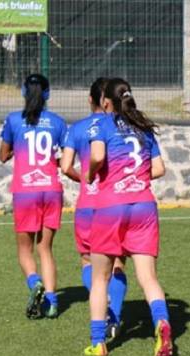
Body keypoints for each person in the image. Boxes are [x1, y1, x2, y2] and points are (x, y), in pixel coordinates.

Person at [84, 78, 173, 356]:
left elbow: (97, 155)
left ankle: (98, 342)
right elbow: (158, 169)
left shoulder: (102, 123)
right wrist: (134, 179)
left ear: (105, 101)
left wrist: (91, 173)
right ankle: (161, 322)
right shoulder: (144, 128)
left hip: (111, 206)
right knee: (148, 277)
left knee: (100, 277)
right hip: (144, 205)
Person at [61, 77, 128, 339]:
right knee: (118, 262)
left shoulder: (77, 128)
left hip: (89, 205)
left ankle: (105, 314)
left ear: (91, 99)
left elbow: (66, 166)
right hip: (118, 202)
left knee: (89, 261)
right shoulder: (123, 126)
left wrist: (84, 179)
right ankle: (116, 314)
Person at [0, 74, 67, 319]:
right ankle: (51, 303)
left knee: (24, 250)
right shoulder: (58, 122)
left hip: (25, 191)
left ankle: (34, 282)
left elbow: (3, 155)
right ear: (48, 94)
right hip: (51, 190)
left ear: (23, 92)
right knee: (45, 248)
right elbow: (62, 160)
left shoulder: (14, 120)